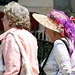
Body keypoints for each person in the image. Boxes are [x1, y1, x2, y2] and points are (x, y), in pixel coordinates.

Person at [0, 1, 39, 75]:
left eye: (3, 19)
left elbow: (12, 70)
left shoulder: (11, 37)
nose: (2, 22)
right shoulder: (30, 37)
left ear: (10, 22)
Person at [33, 9, 75, 75]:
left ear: (53, 31)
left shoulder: (59, 43)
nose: (46, 32)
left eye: (46, 28)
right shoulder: (69, 42)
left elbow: (66, 71)